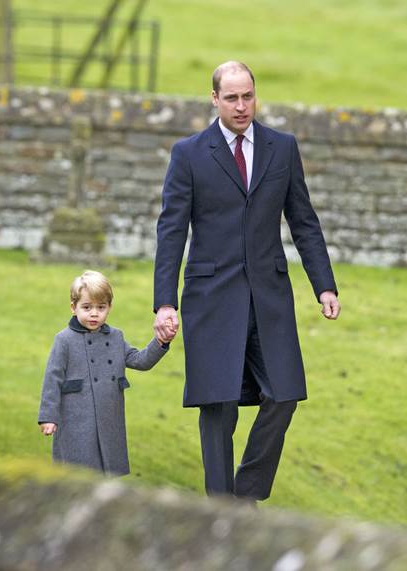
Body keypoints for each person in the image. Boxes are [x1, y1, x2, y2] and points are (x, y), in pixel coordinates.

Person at [153, 61, 341, 501]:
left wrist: (324, 285)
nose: (242, 106)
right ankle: (221, 509)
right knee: (218, 406)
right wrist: (165, 302)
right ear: (214, 99)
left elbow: (304, 221)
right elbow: (171, 230)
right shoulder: (189, 154)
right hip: (210, 298)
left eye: (248, 96)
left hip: (269, 297)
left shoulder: (282, 147)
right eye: (232, 98)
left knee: (286, 393)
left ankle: (246, 492)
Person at [38, 270, 170, 475]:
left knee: (104, 472)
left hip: (109, 418)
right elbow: (52, 379)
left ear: (110, 307)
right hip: (76, 418)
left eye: (101, 307)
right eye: (87, 307)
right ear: (73, 308)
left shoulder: (116, 337)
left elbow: (140, 360)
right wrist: (48, 417)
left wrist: (160, 341)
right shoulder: (64, 340)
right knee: (77, 474)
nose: (94, 313)